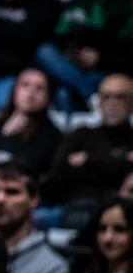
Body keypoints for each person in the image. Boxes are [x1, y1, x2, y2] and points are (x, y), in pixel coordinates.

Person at [38, 0, 132, 109]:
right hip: (75, 68)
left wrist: (100, 59)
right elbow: (61, 32)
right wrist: (72, 52)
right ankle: (92, 97)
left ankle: (90, 95)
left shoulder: (129, 3)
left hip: (111, 73)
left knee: (66, 92)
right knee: (45, 53)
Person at [44, 74, 133, 211]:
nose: (112, 103)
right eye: (106, 97)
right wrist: (122, 159)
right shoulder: (80, 134)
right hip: (76, 205)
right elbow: (57, 174)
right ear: (99, 102)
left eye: (120, 97)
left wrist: (88, 159)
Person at [0, 68, 64, 177]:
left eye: (39, 88)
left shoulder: (52, 136)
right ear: (15, 91)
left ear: (48, 97)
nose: (31, 93)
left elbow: (28, 167)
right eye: (25, 85)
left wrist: (9, 135)